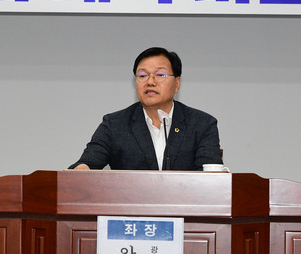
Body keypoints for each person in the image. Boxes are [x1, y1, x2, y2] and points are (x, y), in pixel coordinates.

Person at [70, 47, 223, 171]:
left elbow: (210, 176)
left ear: (177, 83)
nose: (150, 82)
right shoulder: (115, 125)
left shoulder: (202, 124)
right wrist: (82, 168)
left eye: (160, 74)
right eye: (142, 75)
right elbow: (87, 163)